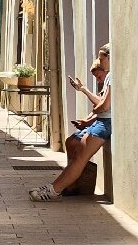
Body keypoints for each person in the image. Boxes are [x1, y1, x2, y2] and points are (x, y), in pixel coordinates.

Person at [29, 44, 111, 201]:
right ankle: (72, 184)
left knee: (80, 155)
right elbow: (102, 105)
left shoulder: (111, 76)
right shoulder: (108, 77)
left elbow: (104, 106)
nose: (100, 61)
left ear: (109, 57)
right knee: (71, 142)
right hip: (100, 120)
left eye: (101, 58)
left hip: (104, 122)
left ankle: (54, 190)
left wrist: (91, 115)